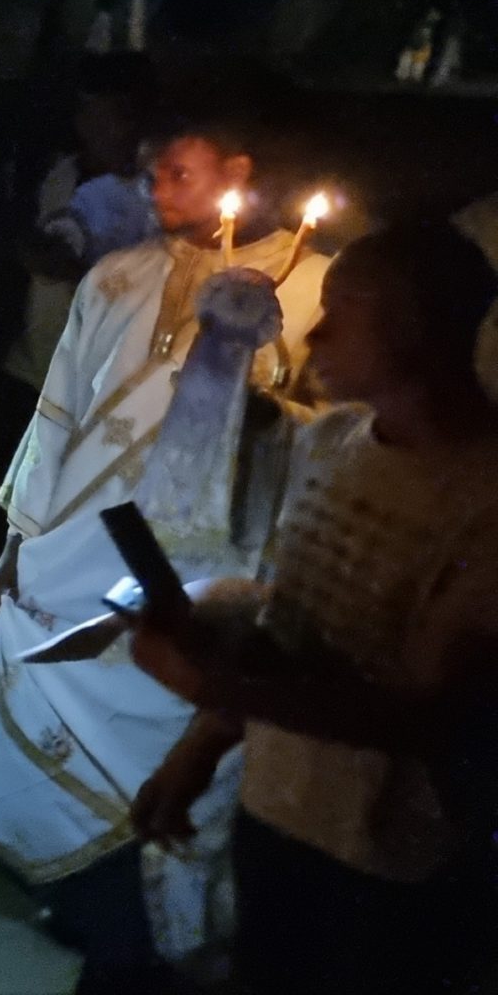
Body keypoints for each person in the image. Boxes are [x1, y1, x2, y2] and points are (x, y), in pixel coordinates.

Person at [0, 120, 335, 990]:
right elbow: (58, 413)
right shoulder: (118, 274)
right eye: (151, 172)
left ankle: (133, 930)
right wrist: (22, 538)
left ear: (239, 173)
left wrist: (253, 377)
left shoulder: (314, 288)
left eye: (179, 172)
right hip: (82, 544)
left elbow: (328, 433)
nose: (156, 187)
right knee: (37, 700)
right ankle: (74, 902)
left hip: (207, 573)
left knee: (162, 757)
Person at [126, 223, 498, 993]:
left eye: (343, 310)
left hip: (385, 853)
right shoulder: (331, 440)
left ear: (418, 325)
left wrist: (208, 687)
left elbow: (428, 718)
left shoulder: (482, 497)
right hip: (278, 806)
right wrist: (203, 742)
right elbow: (290, 621)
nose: (316, 332)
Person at [4, 53, 159, 398]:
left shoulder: (158, 195)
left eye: (123, 118)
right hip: (40, 367)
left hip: (111, 380)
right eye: (97, 118)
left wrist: (77, 273)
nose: (115, 133)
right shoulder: (57, 175)